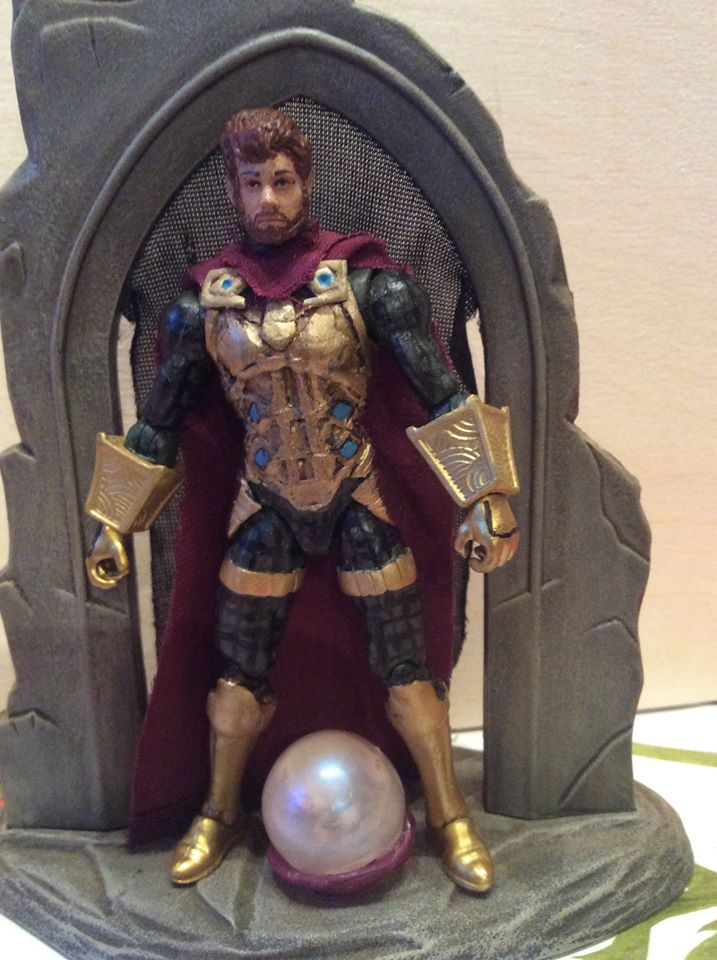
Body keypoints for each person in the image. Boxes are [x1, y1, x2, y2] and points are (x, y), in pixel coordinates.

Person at [85, 108, 519, 893]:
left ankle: (449, 814)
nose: (268, 198)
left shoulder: (369, 286)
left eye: (281, 181)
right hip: (263, 508)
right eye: (253, 182)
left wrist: (485, 493)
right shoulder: (203, 307)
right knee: (237, 675)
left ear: (305, 182)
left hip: (359, 501)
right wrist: (113, 522)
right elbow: (159, 420)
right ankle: (218, 812)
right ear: (231, 190)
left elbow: (440, 390)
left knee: (407, 671)